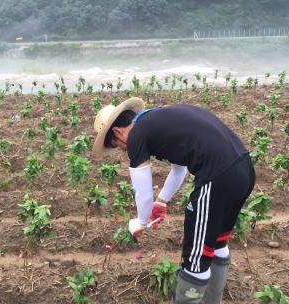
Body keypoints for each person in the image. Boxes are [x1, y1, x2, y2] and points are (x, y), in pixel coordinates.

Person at [92, 97, 256, 303]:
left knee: (196, 260)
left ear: (117, 132)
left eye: (118, 146)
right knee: (217, 242)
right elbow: (179, 169)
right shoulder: (158, 119)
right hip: (244, 169)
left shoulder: (137, 135)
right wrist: (162, 201)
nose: (124, 150)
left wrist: (141, 222)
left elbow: (142, 190)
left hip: (218, 176)